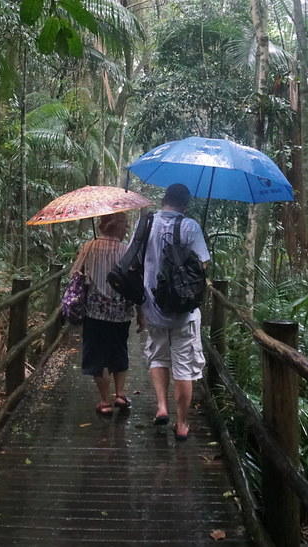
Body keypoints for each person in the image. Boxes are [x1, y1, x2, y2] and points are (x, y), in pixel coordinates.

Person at [138, 183, 210, 441]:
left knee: (157, 355)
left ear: (164, 200)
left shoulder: (145, 224)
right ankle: (181, 424)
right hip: (184, 309)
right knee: (185, 367)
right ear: (185, 204)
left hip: (153, 304)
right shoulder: (191, 226)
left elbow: (135, 258)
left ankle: (161, 406)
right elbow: (203, 263)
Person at [70, 212, 136, 416]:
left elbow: (74, 273)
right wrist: (141, 313)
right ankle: (120, 394)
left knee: (96, 354)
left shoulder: (89, 247)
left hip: (95, 311)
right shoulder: (127, 251)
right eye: (126, 226)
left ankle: (104, 401)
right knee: (119, 349)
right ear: (118, 227)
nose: (126, 230)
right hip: (121, 312)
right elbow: (135, 282)